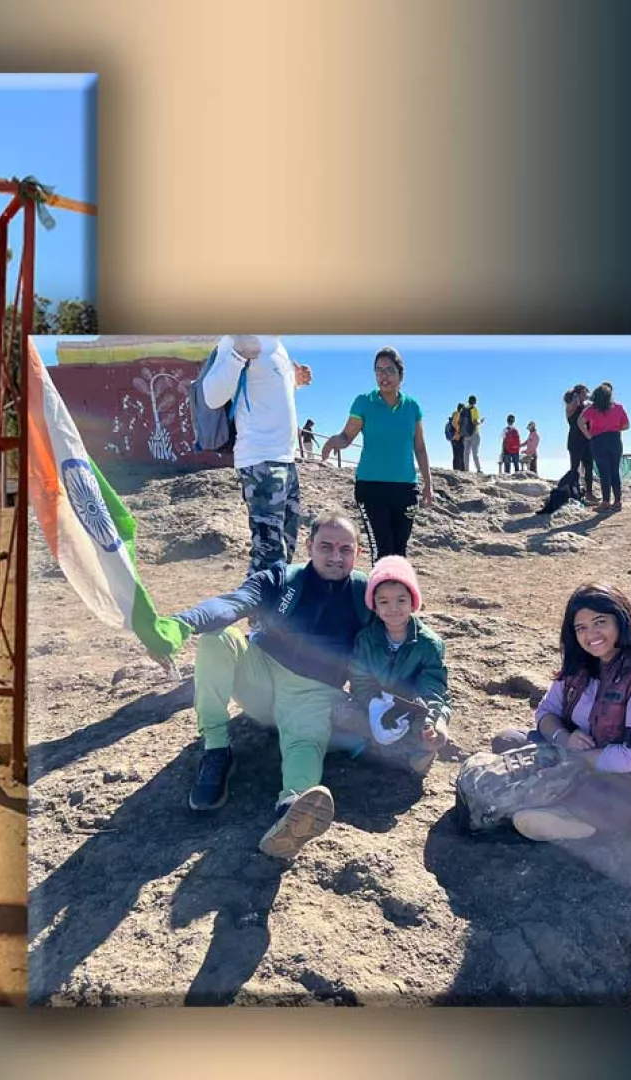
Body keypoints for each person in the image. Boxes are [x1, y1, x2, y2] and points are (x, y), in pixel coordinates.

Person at [161, 516, 370, 860]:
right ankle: (217, 750)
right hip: (260, 675)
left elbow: (403, 635)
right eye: (326, 547)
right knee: (218, 638)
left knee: (305, 743)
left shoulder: (367, 592)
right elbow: (232, 603)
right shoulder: (281, 577)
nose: (336, 556)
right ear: (309, 547)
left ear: (357, 552)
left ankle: (290, 812)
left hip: (315, 692)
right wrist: (183, 622)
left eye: (345, 549)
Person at [487, 581, 631, 841]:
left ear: (622, 619)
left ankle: (572, 822)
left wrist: (573, 760)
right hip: (577, 756)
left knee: (600, 796)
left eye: (600, 622)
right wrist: (564, 739)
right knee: (508, 741)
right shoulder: (583, 660)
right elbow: (546, 713)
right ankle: (552, 808)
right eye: (581, 628)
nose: (591, 634)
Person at [200, 335, 314, 577]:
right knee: (268, 556)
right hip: (260, 462)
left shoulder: (278, 346)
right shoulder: (238, 338)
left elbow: (266, 394)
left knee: (285, 548)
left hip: (286, 460)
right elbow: (211, 396)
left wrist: (294, 382)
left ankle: (276, 612)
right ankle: (260, 615)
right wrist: (237, 354)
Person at [334, 556, 450, 776]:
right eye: (384, 601)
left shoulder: (429, 644)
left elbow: (433, 686)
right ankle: (405, 753)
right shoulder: (366, 639)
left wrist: (428, 718)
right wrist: (376, 704)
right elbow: (360, 680)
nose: (393, 608)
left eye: (401, 600)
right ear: (375, 606)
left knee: (430, 731)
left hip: (415, 707)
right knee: (340, 713)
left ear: (413, 602)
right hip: (377, 702)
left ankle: (413, 745)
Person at [318, 347, 435, 560]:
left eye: (389, 370)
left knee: (400, 551)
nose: (384, 376)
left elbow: (419, 446)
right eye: (379, 371)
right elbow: (347, 436)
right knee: (381, 549)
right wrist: (336, 441)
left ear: (401, 374)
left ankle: (397, 593)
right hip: (371, 488)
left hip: (406, 488)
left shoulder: (412, 407)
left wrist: (428, 482)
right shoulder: (364, 402)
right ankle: (379, 593)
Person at [579, 383, 631, 511]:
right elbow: (627, 425)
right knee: (614, 471)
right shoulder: (618, 407)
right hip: (615, 439)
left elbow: (580, 421)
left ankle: (606, 501)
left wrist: (589, 435)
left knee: (604, 472)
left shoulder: (592, 408)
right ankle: (618, 501)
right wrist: (614, 428)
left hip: (598, 440)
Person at [563, 384, 597, 504]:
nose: (585, 395)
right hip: (575, 441)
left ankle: (589, 493)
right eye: (583, 393)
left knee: (589, 467)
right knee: (575, 468)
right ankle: (574, 491)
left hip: (587, 440)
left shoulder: (586, 406)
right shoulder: (571, 406)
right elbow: (573, 408)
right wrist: (576, 397)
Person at [463, 395, 483, 473]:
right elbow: (475, 421)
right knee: (475, 453)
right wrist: (480, 421)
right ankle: (478, 469)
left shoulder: (464, 409)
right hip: (474, 433)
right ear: (475, 402)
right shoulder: (474, 409)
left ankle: (466, 469)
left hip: (465, 434)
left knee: (466, 453)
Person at [447, 403, 468, 471]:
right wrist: (459, 431)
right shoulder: (457, 414)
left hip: (455, 436)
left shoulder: (456, 414)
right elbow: (454, 423)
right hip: (457, 436)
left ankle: (459, 468)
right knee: (459, 453)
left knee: (457, 453)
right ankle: (459, 469)